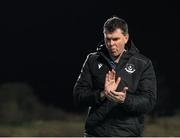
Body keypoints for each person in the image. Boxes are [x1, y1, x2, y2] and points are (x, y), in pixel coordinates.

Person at [73, 16, 157, 137]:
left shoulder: (143, 63)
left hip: (127, 134)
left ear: (126, 38)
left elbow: (149, 101)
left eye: (116, 39)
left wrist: (125, 100)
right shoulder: (92, 60)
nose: (111, 44)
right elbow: (78, 95)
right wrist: (102, 94)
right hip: (95, 133)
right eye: (108, 39)